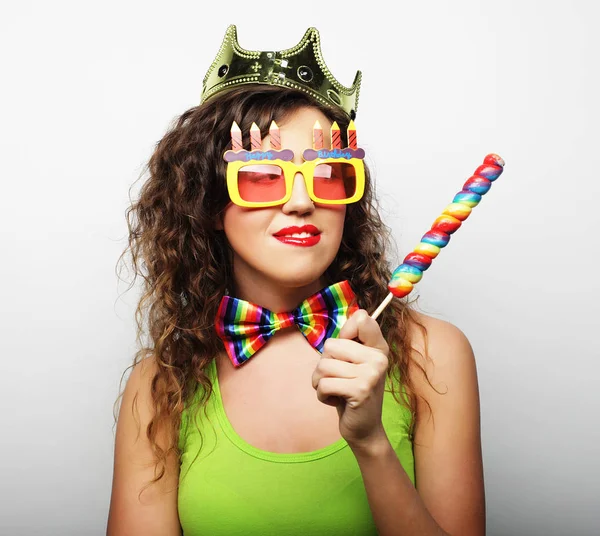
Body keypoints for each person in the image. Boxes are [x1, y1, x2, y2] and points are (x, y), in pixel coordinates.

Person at [107, 26, 485, 536]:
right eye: (263, 175)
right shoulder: (159, 389)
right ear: (210, 204)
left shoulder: (433, 354)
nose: (302, 202)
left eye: (329, 172)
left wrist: (371, 441)